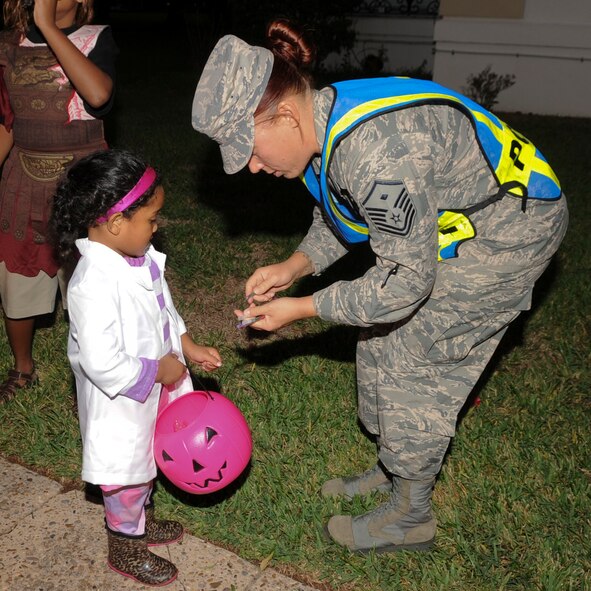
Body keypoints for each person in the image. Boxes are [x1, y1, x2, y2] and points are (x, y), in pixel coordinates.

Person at [191, 20, 568, 554]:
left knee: (418, 353)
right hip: (464, 220)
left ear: (285, 115)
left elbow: (407, 282)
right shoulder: (322, 123)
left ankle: (412, 515)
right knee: (377, 333)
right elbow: (345, 212)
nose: (252, 167)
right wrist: (295, 266)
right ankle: (396, 470)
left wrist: (303, 308)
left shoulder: (377, 152)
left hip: (512, 230)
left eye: (249, 151)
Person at [50, 149, 223, 585]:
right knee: (124, 474)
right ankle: (125, 543)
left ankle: (141, 521)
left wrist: (187, 345)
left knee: (147, 457)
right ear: (115, 223)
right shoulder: (92, 283)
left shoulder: (139, 258)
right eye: (152, 218)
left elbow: (165, 312)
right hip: (119, 402)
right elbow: (101, 361)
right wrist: (156, 371)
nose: (157, 226)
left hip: (153, 387)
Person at [0, 0, 117, 401]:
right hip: (23, 179)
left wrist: (47, 28)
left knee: (94, 281)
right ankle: (23, 367)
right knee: (17, 280)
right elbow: (6, 121)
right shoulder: (8, 47)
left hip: (82, 185)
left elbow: (99, 94)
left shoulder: (95, 39)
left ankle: (104, 367)